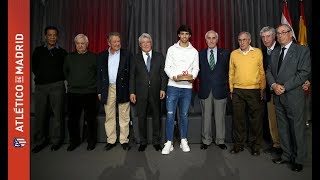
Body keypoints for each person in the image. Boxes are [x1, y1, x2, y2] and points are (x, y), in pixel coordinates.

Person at [266, 24, 311, 172]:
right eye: (277, 33)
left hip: (293, 97)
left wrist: (284, 86)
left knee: (297, 129)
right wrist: (273, 85)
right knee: (283, 128)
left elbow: (303, 73)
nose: (279, 36)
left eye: (283, 33)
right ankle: (286, 155)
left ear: (290, 33)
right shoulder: (275, 51)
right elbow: (269, 71)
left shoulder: (301, 50)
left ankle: (298, 159)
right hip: (277, 97)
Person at [161, 24, 199, 155]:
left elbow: (196, 68)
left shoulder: (194, 51)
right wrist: (173, 77)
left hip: (187, 88)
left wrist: (191, 77)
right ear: (179, 35)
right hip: (172, 87)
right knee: (170, 115)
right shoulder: (172, 49)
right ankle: (169, 142)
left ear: (189, 36)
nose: (184, 36)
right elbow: (167, 67)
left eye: (186, 34)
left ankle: (183, 140)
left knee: (183, 115)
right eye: (182, 33)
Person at [31, 26, 67, 153]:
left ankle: (56, 141)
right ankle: (40, 141)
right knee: (40, 115)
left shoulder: (62, 52)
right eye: (50, 35)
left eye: (54, 35)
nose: (52, 37)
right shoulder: (38, 51)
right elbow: (33, 66)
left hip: (57, 86)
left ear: (57, 37)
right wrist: (41, 76)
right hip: (41, 87)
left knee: (58, 115)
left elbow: (66, 69)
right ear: (45, 36)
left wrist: (58, 77)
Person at [129, 33, 168, 152]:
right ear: (140, 45)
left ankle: (156, 141)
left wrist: (163, 88)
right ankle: (143, 141)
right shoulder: (135, 58)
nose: (146, 44)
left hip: (156, 92)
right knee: (141, 117)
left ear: (151, 43)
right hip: (140, 92)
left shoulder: (159, 56)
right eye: (143, 43)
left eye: (148, 42)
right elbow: (132, 76)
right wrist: (132, 92)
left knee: (157, 116)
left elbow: (163, 75)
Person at [229, 31, 265, 156]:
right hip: (238, 91)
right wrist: (231, 89)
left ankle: (255, 146)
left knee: (255, 120)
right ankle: (238, 144)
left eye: (244, 40)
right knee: (238, 120)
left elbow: (261, 72)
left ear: (249, 40)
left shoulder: (258, 52)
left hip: (254, 90)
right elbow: (231, 73)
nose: (242, 42)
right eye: (239, 40)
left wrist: (262, 88)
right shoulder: (234, 54)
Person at [97, 32, 132, 151]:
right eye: (114, 41)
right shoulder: (102, 55)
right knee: (109, 115)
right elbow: (99, 75)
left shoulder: (127, 54)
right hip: (108, 88)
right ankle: (111, 140)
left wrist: (131, 90)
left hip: (123, 88)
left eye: (119, 41)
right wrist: (99, 91)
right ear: (109, 43)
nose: (117, 43)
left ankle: (124, 140)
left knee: (124, 115)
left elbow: (131, 74)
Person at [63, 34, 98, 151]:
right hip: (73, 92)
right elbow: (65, 72)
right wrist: (74, 82)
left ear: (87, 44)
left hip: (90, 92)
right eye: (78, 43)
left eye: (82, 43)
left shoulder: (94, 57)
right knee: (72, 119)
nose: (80, 46)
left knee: (91, 119)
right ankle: (74, 141)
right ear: (75, 44)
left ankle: (91, 141)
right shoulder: (69, 57)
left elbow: (98, 74)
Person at [197, 30, 230, 150]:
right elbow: (197, 71)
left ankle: (220, 140)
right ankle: (206, 140)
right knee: (206, 116)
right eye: (209, 38)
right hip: (205, 89)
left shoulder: (225, 53)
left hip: (220, 89)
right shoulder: (199, 54)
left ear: (217, 39)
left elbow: (229, 71)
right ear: (205, 40)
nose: (211, 40)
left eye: (213, 38)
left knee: (220, 116)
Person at [259, 26, 282, 156]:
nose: (266, 39)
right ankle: (276, 145)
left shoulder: (281, 49)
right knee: (272, 120)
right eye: (263, 37)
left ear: (274, 36)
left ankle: (287, 147)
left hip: (282, 91)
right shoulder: (262, 52)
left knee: (283, 121)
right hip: (269, 92)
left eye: (268, 36)